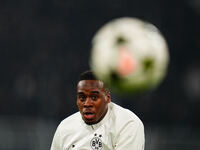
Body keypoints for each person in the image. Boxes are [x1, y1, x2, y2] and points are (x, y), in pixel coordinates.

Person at [50, 70, 145, 150]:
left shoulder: (127, 124)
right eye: (82, 98)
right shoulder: (64, 128)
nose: (87, 104)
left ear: (107, 98)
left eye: (94, 97)